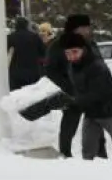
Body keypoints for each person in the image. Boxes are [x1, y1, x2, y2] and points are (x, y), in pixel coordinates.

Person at [62, 33, 112, 159]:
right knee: (88, 148)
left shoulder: (96, 66)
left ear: (83, 50)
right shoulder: (72, 67)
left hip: (111, 112)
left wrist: (75, 101)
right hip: (91, 113)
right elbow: (78, 89)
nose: (71, 56)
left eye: (74, 52)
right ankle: (91, 175)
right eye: (68, 53)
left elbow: (98, 93)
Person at [42, 14, 102, 158]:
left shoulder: (90, 44)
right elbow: (50, 70)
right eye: (84, 28)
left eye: (88, 28)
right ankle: (65, 152)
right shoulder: (58, 45)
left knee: (97, 123)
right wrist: (68, 87)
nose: (87, 31)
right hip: (71, 92)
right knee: (70, 122)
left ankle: (98, 154)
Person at [7, 16, 46, 92]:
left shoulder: (10, 37)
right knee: (32, 95)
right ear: (26, 25)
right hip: (33, 71)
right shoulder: (35, 37)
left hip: (15, 72)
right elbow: (43, 52)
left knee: (16, 95)